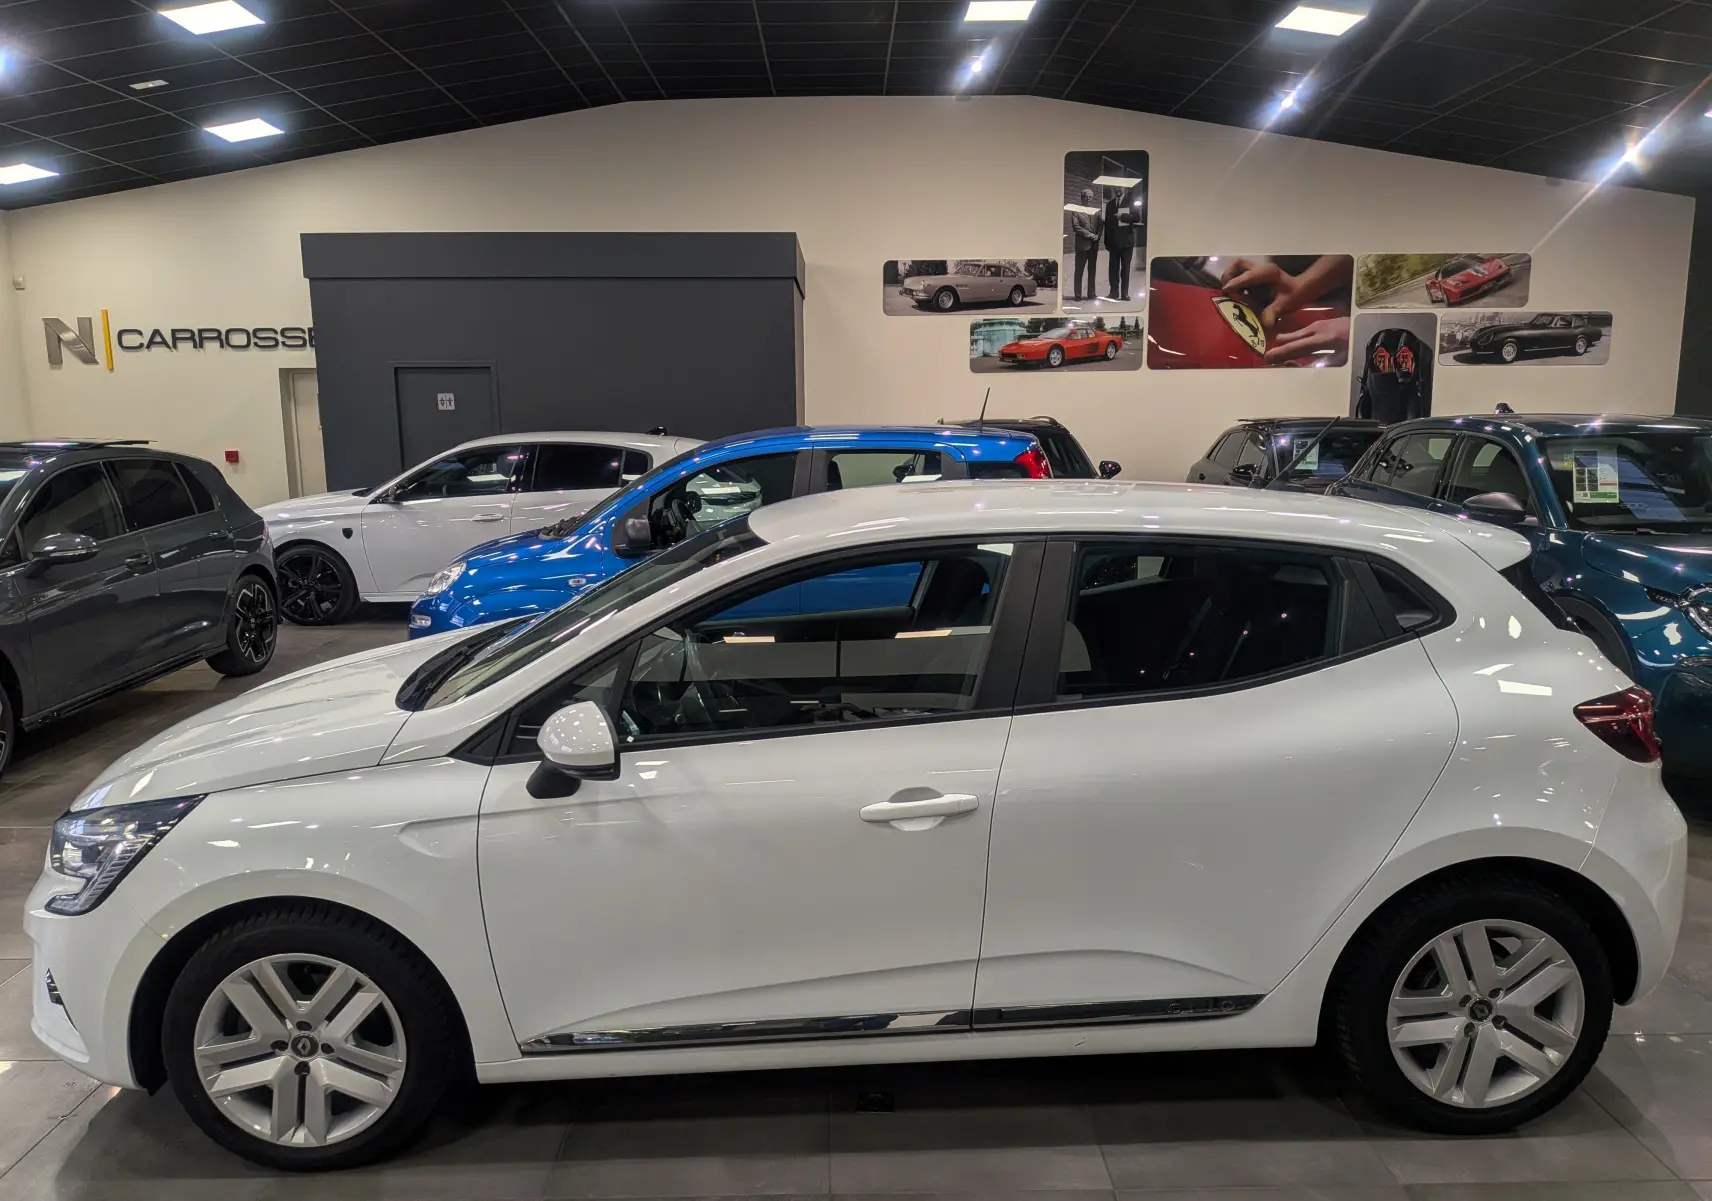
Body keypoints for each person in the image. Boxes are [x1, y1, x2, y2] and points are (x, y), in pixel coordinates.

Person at [1103, 186, 1135, 302]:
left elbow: (1137, 217)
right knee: (1113, 268)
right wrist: (1106, 241)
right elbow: (1107, 224)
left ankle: (1124, 294)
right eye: (1115, 188)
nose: (1117, 190)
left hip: (1126, 243)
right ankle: (1113, 292)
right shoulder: (1109, 204)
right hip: (1113, 243)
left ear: (1124, 189)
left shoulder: (1130, 201)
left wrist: (1123, 217)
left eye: (1119, 188)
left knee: (1125, 268)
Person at [1070, 189, 1101, 301]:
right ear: (1081, 197)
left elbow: (1100, 225)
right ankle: (1078, 295)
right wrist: (1090, 235)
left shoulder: (1096, 211)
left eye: (1090, 197)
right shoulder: (1076, 211)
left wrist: (1097, 236)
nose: (1088, 199)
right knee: (1079, 270)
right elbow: (1076, 227)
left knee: (1092, 270)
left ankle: (1091, 293)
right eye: (1086, 196)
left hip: (1093, 246)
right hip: (1082, 246)